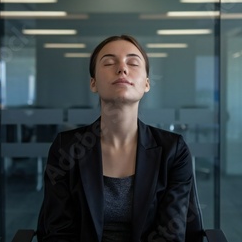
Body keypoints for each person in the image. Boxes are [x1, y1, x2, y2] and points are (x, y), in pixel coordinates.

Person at [36, 35, 202, 242]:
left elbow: (170, 235)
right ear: (93, 83)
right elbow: (59, 232)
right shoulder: (67, 148)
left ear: (147, 84)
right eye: (108, 62)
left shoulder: (173, 150)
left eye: (133, 63)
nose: (122, 69)